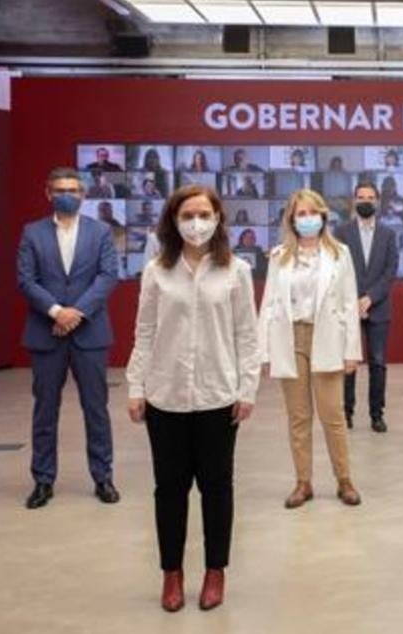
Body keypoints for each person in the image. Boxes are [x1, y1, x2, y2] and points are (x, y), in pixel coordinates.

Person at [126, 184, 259, 612]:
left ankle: (215, 572)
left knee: (217, 488)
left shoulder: (235, 270)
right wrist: (135, 386)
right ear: (174, 221)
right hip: (165, 396)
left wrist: (247, 387)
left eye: (204, 214)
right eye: (188, 215)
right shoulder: (156, 271)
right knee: (170, 489)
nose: (196, 223)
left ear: (218, 219)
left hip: (219, 396)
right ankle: (172, 574)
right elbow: (144, 332)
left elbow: (246, 335)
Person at [16, 168, 121, 510]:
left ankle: (103, 477)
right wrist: (55, 312)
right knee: (44, 411)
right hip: (46, 332)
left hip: (89, 332)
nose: (68, 195)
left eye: (74, 190)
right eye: (61, 189)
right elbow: (26, 280)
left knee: (96, 409)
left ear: (83, 195)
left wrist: (74, 313)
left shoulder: (101, 232)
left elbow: (107, 277)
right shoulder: (32, 233)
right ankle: (43, 480)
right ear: (48, 193)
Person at [260, 189, 363, 508]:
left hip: (327, 337)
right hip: (290, 339)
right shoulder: (279, 256)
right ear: (291, 219)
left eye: (312, 212)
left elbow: (348, 303)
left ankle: (344, 479)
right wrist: (264, 352)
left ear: (323, 216)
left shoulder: (339, 254)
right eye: (300, 214)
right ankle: (303, 482)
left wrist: (351, 352)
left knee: (333, 415)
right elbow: (270, 304)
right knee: (298, 417)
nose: (307, 219)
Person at [335, 182, 398, 432]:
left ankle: (376, 414)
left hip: (378, 307)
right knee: (348, 363)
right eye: (361, 197)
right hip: (348, 307)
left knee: (378, 362)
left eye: (371, 197)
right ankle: (346, 412)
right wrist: (354, 300)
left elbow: (389, 271)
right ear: (354, 200)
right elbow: (338, 270)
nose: (366, 201)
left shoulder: (388, 234)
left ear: (378, 202)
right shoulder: (341, 232)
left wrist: (370, 297)